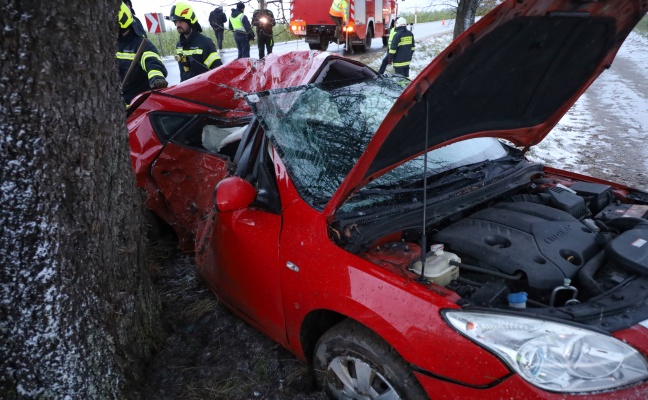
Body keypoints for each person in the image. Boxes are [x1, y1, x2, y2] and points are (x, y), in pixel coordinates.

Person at [116, 1, 167, 108]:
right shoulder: (109, 45)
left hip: (137, 107)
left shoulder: (141, 44)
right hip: (117, 107)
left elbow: (152, 62)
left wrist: (156, 78)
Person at [169, 2, 223, 82]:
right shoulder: (179, 45)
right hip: (186, 90)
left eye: (180, 21)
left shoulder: (205, 43)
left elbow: (218, 72)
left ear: (190, 21)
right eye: (176, 22)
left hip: (204, 90)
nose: (178, 25)